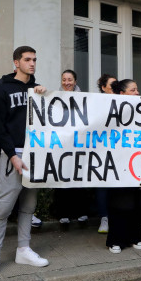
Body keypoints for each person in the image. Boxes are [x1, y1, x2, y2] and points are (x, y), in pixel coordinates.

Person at [0, 46, 50, 278]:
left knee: (29, 206)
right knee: (3, 207)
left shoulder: (35, 88)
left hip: (34, 153)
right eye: (27, 59)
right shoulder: (1, 89)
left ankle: (23, 248)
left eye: (34, 59)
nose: (32, 63)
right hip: (13, 154)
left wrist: (44, 95)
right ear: (16, 63)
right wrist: (12, 155)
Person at [105, 79, 141, 253]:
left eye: (137, 89)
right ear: (122, 94)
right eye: (133, 90)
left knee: (137, 202)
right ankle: (116, 240)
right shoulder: (109, 108)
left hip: (137, 162)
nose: (137, 93)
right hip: (117, 163)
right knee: (119, 202)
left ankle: (135, 237)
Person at [54, 69, 88, 224]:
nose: (66, 83)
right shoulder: (54, 98)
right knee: (62, 178)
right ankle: (63, 213)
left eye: (70, 80)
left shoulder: (84, 99)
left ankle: (80, 211)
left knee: (78, 178)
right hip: (61, 144)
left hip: (78, 144)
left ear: (75, 81)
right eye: (64, 80)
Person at [94, 73, 116, 234]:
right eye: (112, 85)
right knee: (102, 184)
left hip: (119, 151)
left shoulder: (125, 101)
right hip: (101, 150)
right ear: (103, 88)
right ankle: (104, 217)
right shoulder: (97, 103)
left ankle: (116, 217)